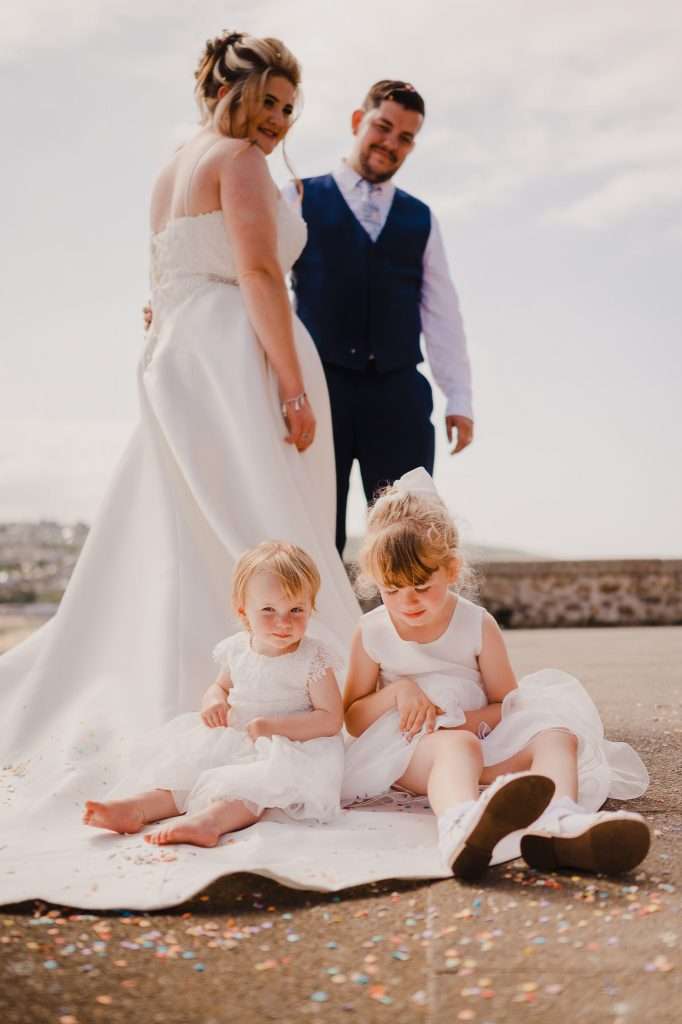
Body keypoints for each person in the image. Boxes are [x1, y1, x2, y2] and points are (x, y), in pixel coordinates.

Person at [0, 31, 359, 857]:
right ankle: (284, 691)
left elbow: (160, 283)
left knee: (188, 521)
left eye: (288, 108)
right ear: (232, 93)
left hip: (178, 355)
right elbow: (262, 275)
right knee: (264, 518)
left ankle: (209, 690)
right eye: (267, 100)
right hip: (235, 358)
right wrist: (294, 386)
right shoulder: (236, 163)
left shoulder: (171, 166)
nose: (276, 120)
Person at [341, 468, 650, 879]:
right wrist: (398, 695)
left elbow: (506, 703)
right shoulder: (373, 632)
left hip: (482, 738)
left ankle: (559, 821)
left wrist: (469, 722)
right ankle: (460, 826)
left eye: (420, 584)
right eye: (391, 589)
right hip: (411, 750)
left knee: (556, 732)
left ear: (451, 569)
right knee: (457, 748)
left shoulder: (476, 624)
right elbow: (353, 717)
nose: (407, 601)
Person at [284, 81, 474, 554]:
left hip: (397, 393)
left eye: (406, 137)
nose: (392, 143)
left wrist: (459, 396)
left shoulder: (420, 218)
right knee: (312, 530)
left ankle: (406, 630)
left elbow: (442, 310)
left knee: (408, 537)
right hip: (318, 386)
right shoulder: (298, 196)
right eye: (383, 127)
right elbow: (255, 279)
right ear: (356, 121)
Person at [83, 542, 345, 846]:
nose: (283, 622)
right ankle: (138, 808)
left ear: (311, 606)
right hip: (236, 735)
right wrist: (214, 701)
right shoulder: (237, 649)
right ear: (243, 610)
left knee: (250, 787)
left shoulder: (312, 658)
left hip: (291, 746)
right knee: (188, 773)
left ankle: (209, 822)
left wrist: (273, 727)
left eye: (296, 610)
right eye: (269, 610)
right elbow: (220, 686)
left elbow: (330, 719)